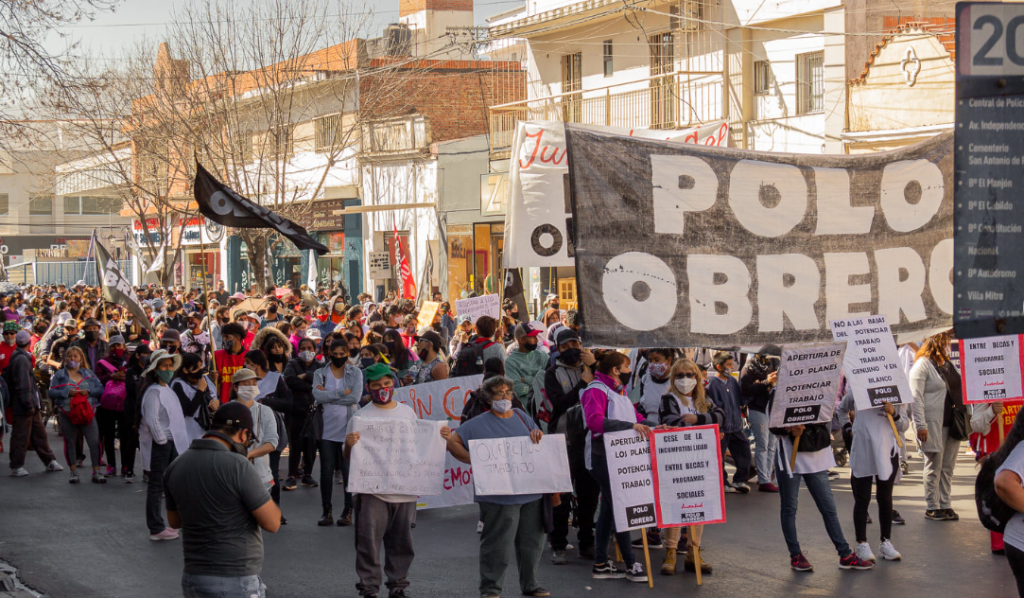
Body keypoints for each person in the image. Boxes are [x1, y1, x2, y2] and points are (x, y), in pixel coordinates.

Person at [345, 363, 447, 598]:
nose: (383, 389)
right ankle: (369, 588)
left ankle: (397, 587)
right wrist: (348, 446)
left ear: (394, 384)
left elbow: (416, 448)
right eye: (377, 386)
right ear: (368, 388)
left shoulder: (407, 412)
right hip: (372, 492)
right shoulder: (360, 417)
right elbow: (350, 458)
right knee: (368, 542)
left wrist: (439, 438)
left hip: (405, 491)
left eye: (387, 384)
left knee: (402, 542)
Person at [164, 401, 281, 598]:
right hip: (236, 577)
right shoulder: (239, 466)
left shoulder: (176, 466)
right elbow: (272, 522)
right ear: (244, 434)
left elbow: (175, 521)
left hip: (194, 577)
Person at [446, 375, 549, 598]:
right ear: (488, 398)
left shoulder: (522, 417)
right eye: (499, 393)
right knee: (497, 544)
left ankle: (530, 584)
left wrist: (536, 434)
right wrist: (473, 459)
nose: (505, 397)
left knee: (532, 542)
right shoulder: (477, 423)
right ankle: (491, 589)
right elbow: (452, 443)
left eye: (508, 393)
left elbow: (537, 437)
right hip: (498, 495)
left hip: (530, 492)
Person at [770, 393, 873, 572]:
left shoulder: (819, 387)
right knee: (789, 507)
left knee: (828, 508)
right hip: (790, 455)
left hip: (815, 454)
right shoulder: (779, 390)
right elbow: (773, 423)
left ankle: (845, 554)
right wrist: (787, 429)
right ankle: (795, 555)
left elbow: (826, 415)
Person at [582, 351, 650, 582]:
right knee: (617, 507)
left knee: (611, 509)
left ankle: (601, 563)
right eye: (626, 367)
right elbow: (594, 422)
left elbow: (636, 419)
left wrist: (656, 426)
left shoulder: (618, 392)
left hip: (620, 458)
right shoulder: (596, 390)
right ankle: (630, 563)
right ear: (616, 370)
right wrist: (630, 426)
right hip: (602, 457)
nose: (630, 371)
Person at [658, 358, 723, 575]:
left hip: (700, 460)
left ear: (697, 377)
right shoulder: (668, 398)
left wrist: (698, 418)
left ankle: (694, 552)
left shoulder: (703, 400)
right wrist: (700, 423)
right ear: (673, 378)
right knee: (676, 505)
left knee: (698, 506)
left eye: (690, 374)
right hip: (677, 461)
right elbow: (669, 420)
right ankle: (670, 552)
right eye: (680, 375)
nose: (685, 379)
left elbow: (721, 416)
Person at [910, 335, 963, 521]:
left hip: (953, 424)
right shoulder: (922, 365)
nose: (948, 346)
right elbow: (916, 399)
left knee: (947, 467)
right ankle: (932, 506)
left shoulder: (948, 365)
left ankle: (945, 503)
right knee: (934, 465)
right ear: (936, 344)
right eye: (945, 343)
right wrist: (920, 425)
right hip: (933, 424)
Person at [140, 349, 189, 541]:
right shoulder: (153, 392)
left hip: (172, 443)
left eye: (170, 366)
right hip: (162, 444)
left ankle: (170, 521)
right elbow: (152, 419)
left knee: (170, 485)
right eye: (164, 366)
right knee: (156, 486)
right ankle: (155, 527)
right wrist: (162, 441)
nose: (168, 369)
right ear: (155, 369)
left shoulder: (167, 390)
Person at [313, 338, 363, 526]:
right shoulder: (320, 373)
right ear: (329, 354)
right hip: (326, 429)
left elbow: (355, 397)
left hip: (348, 427)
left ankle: (348, 510)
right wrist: (342, 393)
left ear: (347, 354)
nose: (339, 357)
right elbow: (318, 395)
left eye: (342, 354)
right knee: (326, 472)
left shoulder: (355, 372)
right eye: (335, 354)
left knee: (348, 470)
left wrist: (329, 397)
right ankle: (327, 511)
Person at [5, 329, 62, 476]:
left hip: (29, 404)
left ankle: (49, 460)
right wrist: (28, 404)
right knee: (21, 436)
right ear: (29, 343)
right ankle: (17, 466)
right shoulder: (22, 359)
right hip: (26, 404)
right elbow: (24, 385)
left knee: (39, 434)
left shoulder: (18, 356)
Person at [245, 350, 292, 523]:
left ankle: (275, 511)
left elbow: (288, 403)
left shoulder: (275, 378)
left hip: (270, 427)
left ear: (257, 364)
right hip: (249, 430)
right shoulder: (244, 378)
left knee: (271, 471)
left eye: (249, 363)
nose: (247, 366)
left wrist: (267, 401)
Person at [49, 345, 105, 484]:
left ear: (81, 358)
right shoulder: (59, 375)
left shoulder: (89, 374)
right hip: (67, 414)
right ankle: (73, 472)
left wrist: (89, 392)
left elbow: (100, 389)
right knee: (70, 442)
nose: (72, 359)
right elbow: (51, 392)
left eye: (75, 356)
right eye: (69, 356)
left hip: (88, 413)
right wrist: (66, 392)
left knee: (93, 442)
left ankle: (97, 471)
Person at [974, 400, 1023, 553]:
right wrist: (991, 412)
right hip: (1000, 453)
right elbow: (976, 426)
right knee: (1002, 500)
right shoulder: (986, 398)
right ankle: (1001, 542)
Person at [706, 351, 752, 493]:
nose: (731, 368)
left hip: (736, 426)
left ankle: (740, 480)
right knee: (719, 456)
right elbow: (715, 406)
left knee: (744, 451)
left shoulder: (732, 381)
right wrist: (719, 426)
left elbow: (740, 399)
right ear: (719, 367)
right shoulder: (713, 384)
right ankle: (723, 482)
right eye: (729, 365)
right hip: (723, 428)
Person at [230, 368, 279, 496]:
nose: (251, 387)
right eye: (246, 385)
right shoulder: (226, 411)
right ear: (236, 388)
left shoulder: (265, 411)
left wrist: (249, 453)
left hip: (261, 476)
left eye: (254, 384)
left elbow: (272, 443)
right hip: (232, 476)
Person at [282, 337, 322, 491]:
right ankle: (291, 475)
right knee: (295, 443)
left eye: (310, 348)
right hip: (296, 409)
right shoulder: (292, 364)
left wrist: (305, 376)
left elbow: (322, 381)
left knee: (311, 444)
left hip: (314, 411)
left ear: (315, 350)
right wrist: (312, 384)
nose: (307, 351)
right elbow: (290, 380)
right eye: (303, 348)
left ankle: (308, 474)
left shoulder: (320, 365)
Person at [740, 347, 781, 492]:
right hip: (758, 409)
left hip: (773, 409)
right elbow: (745, 389)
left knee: (771, 445)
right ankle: (763, 479)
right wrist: (766, 383)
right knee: (762, 445)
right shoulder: (750, 367)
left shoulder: (776, 363)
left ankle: (767, 477)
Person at [95, 336, 130, 477]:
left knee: (125, 435)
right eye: (114, 346)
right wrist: (110, 378)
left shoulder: (130, 361)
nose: (117, 348)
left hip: (125, 403)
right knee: (108, 435)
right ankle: (111, 465)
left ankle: (126, 465)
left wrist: (125, 378)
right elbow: (97, 381)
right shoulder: (103, 363)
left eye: (120, 345)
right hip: (107, 404)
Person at [171, 353, 220, 445]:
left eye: (201, 365)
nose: (201, 369)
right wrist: (200, 391)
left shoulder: (206, 379)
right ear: (185, 370)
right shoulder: (178, 385)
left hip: (210, 433)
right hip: (189, 436)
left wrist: (217, 403)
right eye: (197, 367)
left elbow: (217, 398)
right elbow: (189, 410)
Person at [123, 343, 152, 483]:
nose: (147, 357)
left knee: (146, 442)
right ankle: (129, 470)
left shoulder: (151, 371)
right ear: (137, 355)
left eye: (149, 354)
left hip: (146, 409)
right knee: (131, 441)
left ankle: (147, 470)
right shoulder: (131, 371)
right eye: (144, 354)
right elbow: (130, 391)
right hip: (132, 410)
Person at [503, 323, 548, 413]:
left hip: (545, 410)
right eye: (532, 337)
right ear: (522, 340)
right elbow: (516, 388)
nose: (536, 340)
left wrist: (526, 379)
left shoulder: (542, 356)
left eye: (536, 336)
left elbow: (549, 381)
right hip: (525, 411)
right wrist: (538, 385)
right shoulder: (510, 362)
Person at [637, 348, 675, 424]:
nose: (653, 363)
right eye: (650, 360)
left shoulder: (677, 380)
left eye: (657, 360)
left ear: (669, 360)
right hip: (650, 426)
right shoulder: (646, 379)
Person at [214, 323, 248, 401]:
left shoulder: (249, 356)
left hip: (244, 402)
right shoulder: (216, 356)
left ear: (237, 338)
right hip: (223, 402)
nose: (225, 339)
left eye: (227, 337)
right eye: (223, 336)